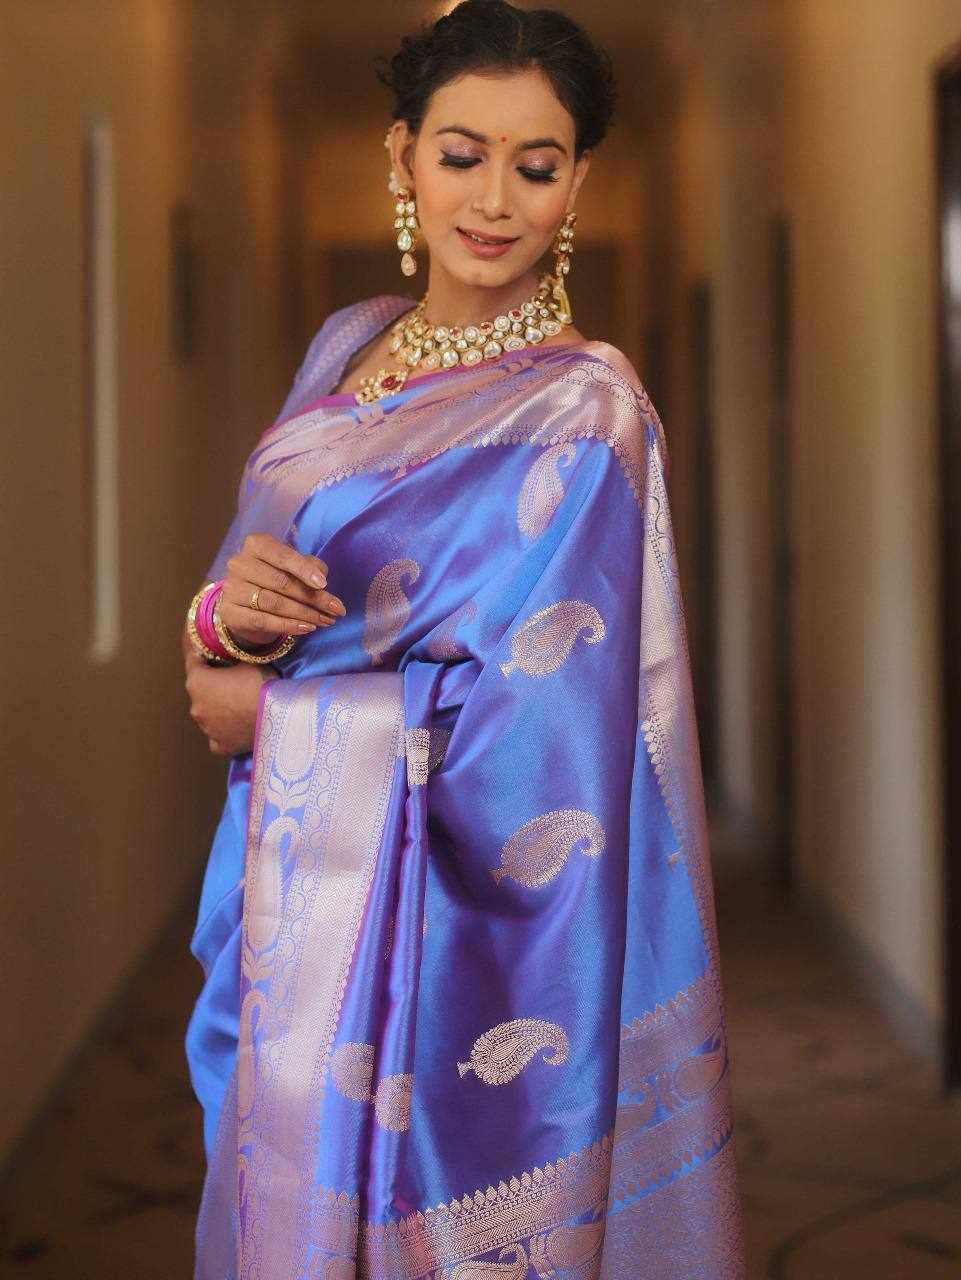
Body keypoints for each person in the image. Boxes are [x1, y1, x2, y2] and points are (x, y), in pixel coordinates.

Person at [181, 2, 746, 1276]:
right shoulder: (348, 345)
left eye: (535, 166)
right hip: (282, 886)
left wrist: (280, 722)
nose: (493, 199)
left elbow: (546, 746)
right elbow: (250, 577)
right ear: (401, 157)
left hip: (441, 940)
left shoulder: (587, 411)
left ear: (576, 182)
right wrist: (220, 622)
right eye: (459, 154)